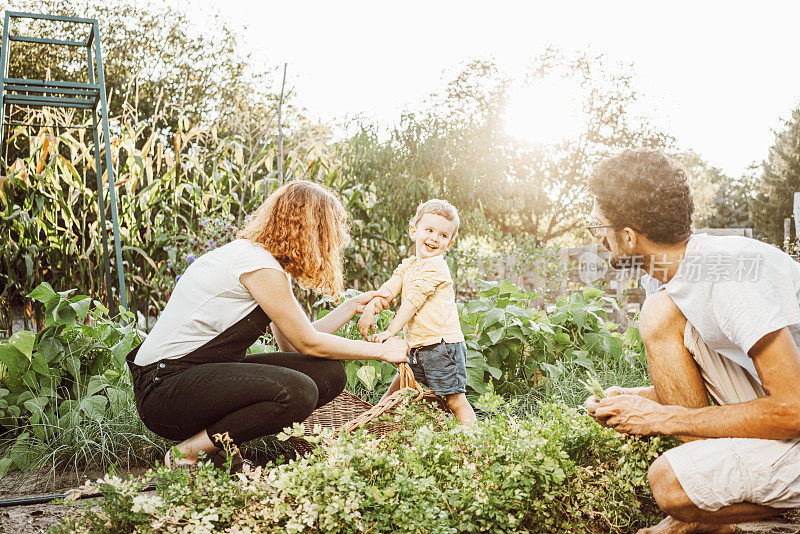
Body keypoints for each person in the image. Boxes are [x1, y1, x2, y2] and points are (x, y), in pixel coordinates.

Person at [582, 148, 800, 534]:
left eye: (598, 228)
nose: (598, 238)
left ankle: (716, 519)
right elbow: (713, 382)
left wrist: (665, 419)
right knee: (660, 313)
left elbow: (794, 409)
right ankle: (708, 513)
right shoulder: (674, 277)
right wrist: (634, 400)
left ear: (629, 236)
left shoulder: (729, 276)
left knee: (671, 483)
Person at [126, 180, 408, 470]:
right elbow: (307, 342)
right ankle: (188, 452)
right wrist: (382, 351)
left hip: (191, 378)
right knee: (298, 391)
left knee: (328, 374)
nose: (333, 245)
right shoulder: (257, 264)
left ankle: (220, 450)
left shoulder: (265, 264)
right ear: (311, 230)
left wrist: (350, 307)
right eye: (330, 234)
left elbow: (291, 345)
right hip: (164, 390)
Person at [357, 199, 477, 425]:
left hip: (443, 347)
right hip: (420, 347)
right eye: (429, 230)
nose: (434, 238)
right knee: (399, 386)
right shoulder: (409, 265)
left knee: (454, 399)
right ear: (414, 231)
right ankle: (372, 424)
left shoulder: (436, 267)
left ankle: (474, 442)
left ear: (449, 243)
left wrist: (391, 331)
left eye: (443, 235)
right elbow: (390, 288)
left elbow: (413, 302)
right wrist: (371, 308)